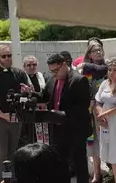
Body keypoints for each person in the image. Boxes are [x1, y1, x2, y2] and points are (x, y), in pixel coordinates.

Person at [0, 45, 32, 183]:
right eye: (4, 56)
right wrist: (2, 114)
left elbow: (28, 92)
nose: (7, 58)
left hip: (16, 118)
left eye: (9, 55)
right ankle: (0, 178)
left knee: (14, 150)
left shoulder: (20, 73)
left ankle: (11, 178)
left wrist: (27, 91)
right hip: (0, 118)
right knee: (1, 151)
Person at [43, 53, 92, 183]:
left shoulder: (79, 80)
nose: (54, 74)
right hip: (58, 130)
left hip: (75, 130)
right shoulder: (52, 79)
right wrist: (30, 93)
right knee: (60, 164)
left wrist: (62, 114)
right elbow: (45, 97)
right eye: (51, 71)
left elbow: (82, 106)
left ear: (64, 64)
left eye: (56, 70)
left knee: (79, 164)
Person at [77, 43, 109, 183]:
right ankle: (97, 173)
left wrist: (84, 65)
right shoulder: (84, 71)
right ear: (89, 54)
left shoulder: (109, 65)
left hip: (106, 109)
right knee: (94, 141)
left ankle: (114, 169)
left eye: (99, 49)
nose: (98, 52)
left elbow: (103, 71)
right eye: (94, 51)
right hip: (90, 111)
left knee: (108, 140)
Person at [18, 55, 49, 147]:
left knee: (42, 140)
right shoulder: (21, 78)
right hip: (28, 113)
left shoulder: (42, 76)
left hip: (41, 112)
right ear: (24, 66)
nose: (32, 67)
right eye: (29, 65)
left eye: (34, 64)